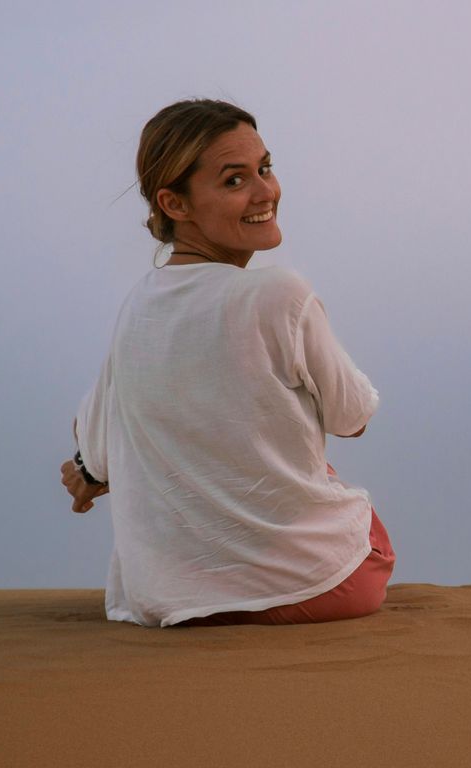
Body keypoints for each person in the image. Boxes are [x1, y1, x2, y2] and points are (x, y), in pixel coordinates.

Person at [58, 99, 392, 628]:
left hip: (172, 603)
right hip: (321, 587)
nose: (266, 192)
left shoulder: (137, 308)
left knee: (184, 431)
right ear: (175, 203)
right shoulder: (281, 292)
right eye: (235, 181)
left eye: (265, 168)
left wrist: (88, 471)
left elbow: (94, 452)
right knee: (315, 466)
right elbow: (353, 418)